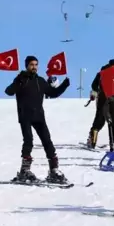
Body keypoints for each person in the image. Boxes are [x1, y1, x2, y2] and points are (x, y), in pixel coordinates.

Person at [5, 55, 70, 183]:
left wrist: (64, 85)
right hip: (25, 116)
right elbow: (9, 91)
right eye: (31, 65)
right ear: (26, 66)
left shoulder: (40, 81)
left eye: (35, 65)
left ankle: (54, 171)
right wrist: (18, 81)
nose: (34, 67)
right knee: (28, 140)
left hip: (39, 116)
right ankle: (24, 171)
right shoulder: (21, 80)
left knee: (47, 141)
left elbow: (52, 93)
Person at [86, 59, 114, 148]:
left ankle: (92, 142)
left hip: (102, 98)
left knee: (99, 120)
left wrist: (98, 91)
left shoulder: (102, 72)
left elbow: (93, 85)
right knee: (113, 122)